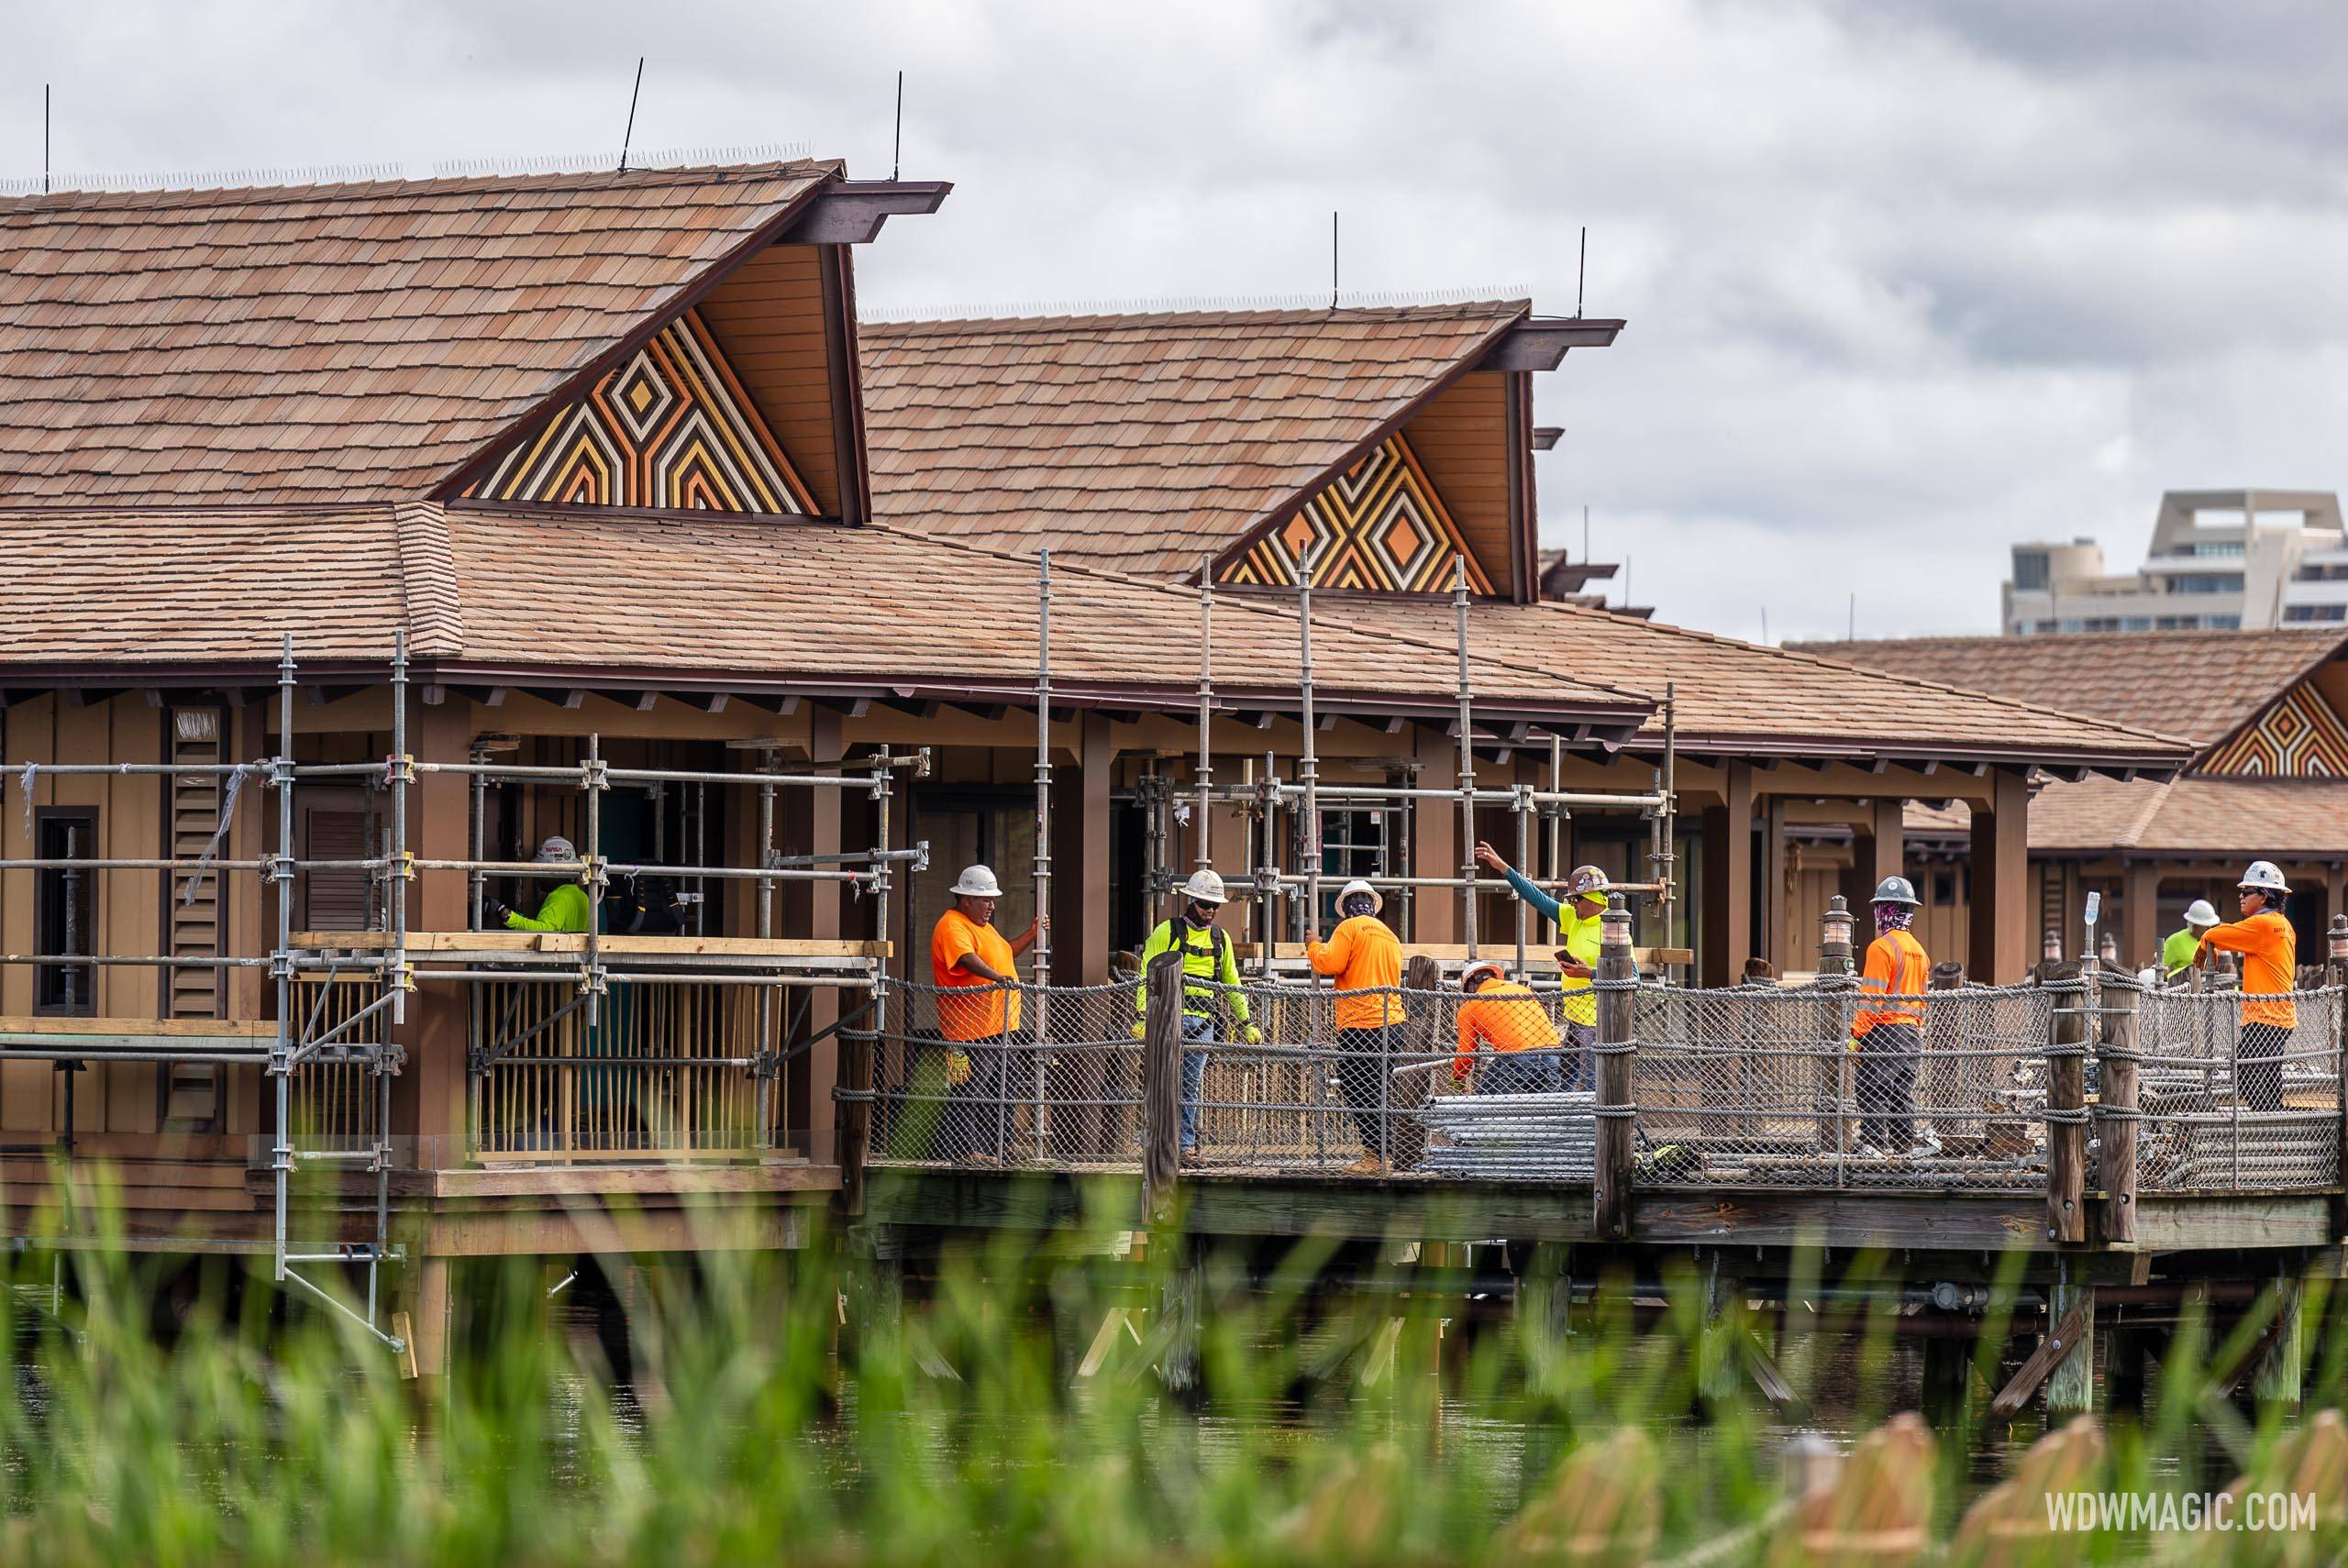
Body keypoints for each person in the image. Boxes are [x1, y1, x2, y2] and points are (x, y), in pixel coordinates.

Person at [1132, 869, 1262, 1165]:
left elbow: (1231, 982)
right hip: (1168, 1019)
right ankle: (1157, 1142)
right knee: (1161, 1082)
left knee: (1190, 1086)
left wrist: (1247, 1023)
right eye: (1205, 904)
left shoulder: (1221, 939)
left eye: (1215, 906)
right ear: (1191, 901)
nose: (1210, 911)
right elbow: (1145, 973)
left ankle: (1186, 1147)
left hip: (1203, 1023)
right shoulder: (1167, 931)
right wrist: (1143, 1016)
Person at [930, 864, 1047, 1164]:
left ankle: (1002, 1146)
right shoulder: (952, 925)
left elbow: (1004, 952)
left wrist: (1031, 935)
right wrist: (997, 977)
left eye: (993, 900)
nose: (992, 906)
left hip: (1000, 1024)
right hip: (969, 1030)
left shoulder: (984, 928)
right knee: (971, 1091)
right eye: (986, 900)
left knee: (1004, 1088)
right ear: (966, 899)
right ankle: (966, 1151)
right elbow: (966, 959)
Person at [1473, 844, 1609, 1088]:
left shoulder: (1612, 929)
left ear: (1592, 899)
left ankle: (1594, 1127)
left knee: (1589, 1085)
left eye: (1576, 899)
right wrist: (1504, 868)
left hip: (1597, 1023)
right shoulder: (1574, 918)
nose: (1573, 904)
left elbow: (1632, 977)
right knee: (1564, 1083)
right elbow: (1537, 898)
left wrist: (1588, 973)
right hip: (1576, 1020)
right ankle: (1561, 1125)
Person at [1306, 878, 1405, 1174]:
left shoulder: (1349, 928)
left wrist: (1313, 945)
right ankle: (1385, 1151)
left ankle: (1377, 1154)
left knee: (1357, 1087)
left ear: (1347, 906)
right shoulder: (1390, 935)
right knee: (1380, 1089)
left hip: (1361, 1024)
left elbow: (1329, 963)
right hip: (1393, 1022)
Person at [2196, 861, 2297, 1113]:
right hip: (2278, 1015)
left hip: (2265, 1016)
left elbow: (2218, 934)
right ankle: (2274, 1116)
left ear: (2264, 896)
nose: (2240, 896)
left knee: (2243, 1068)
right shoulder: (2282, 924)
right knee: (2268, 1073)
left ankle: (2266, 1118)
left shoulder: (2261, 925)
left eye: (2247, 892)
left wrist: (2205, 942)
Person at [1852, 875, 1929, 1155]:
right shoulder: (1919, 951)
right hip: (1911, 1034)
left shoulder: (1881, 948)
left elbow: (1872, 997)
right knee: (1900, 1091)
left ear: (1885, 910)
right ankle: (1902, 1145)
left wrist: (1857, 1035)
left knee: (1872, 1085)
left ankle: (1874, 1145)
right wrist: (1916, 1028)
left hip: (1884, 1031)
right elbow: (1922, 999)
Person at [1451, 960, 1564, 1095]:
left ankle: (1476, 1110)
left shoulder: (1471, 1005)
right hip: (1552, 1055)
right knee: (1544, 1110)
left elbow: (1466, 1054)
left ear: (1470, 987)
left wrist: (1457, 1078)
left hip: (1516, 1057)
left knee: (1491, 1107)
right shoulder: (1522, 990)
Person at [487, 836, 590, 932]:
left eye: (543, 870)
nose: (539, 877)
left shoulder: (559, 897)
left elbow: (543, 930)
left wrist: (503, 912)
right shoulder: (583, 897)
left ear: (555, 871)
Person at [2159, 900, 2221, 982]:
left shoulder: (2213, 939)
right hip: (2186, 990)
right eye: (2204, 926)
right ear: (2193, 924)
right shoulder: (2174, 941)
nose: (2208, 929)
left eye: (2210, 926)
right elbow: (2157, 965)